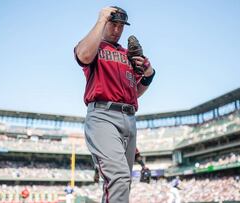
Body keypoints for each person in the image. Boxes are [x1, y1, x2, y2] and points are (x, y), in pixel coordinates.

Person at [74, 6, 156, 203]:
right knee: (118, 178)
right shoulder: (95, 47)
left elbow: (134, 92)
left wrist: (148, 73)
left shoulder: (127, 54)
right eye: (113, 24)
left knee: (122, 182)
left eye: (121, 26)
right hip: (103, 115)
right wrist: (101, 19)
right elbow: (83, 55)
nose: (117, 29)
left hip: (129, 117)